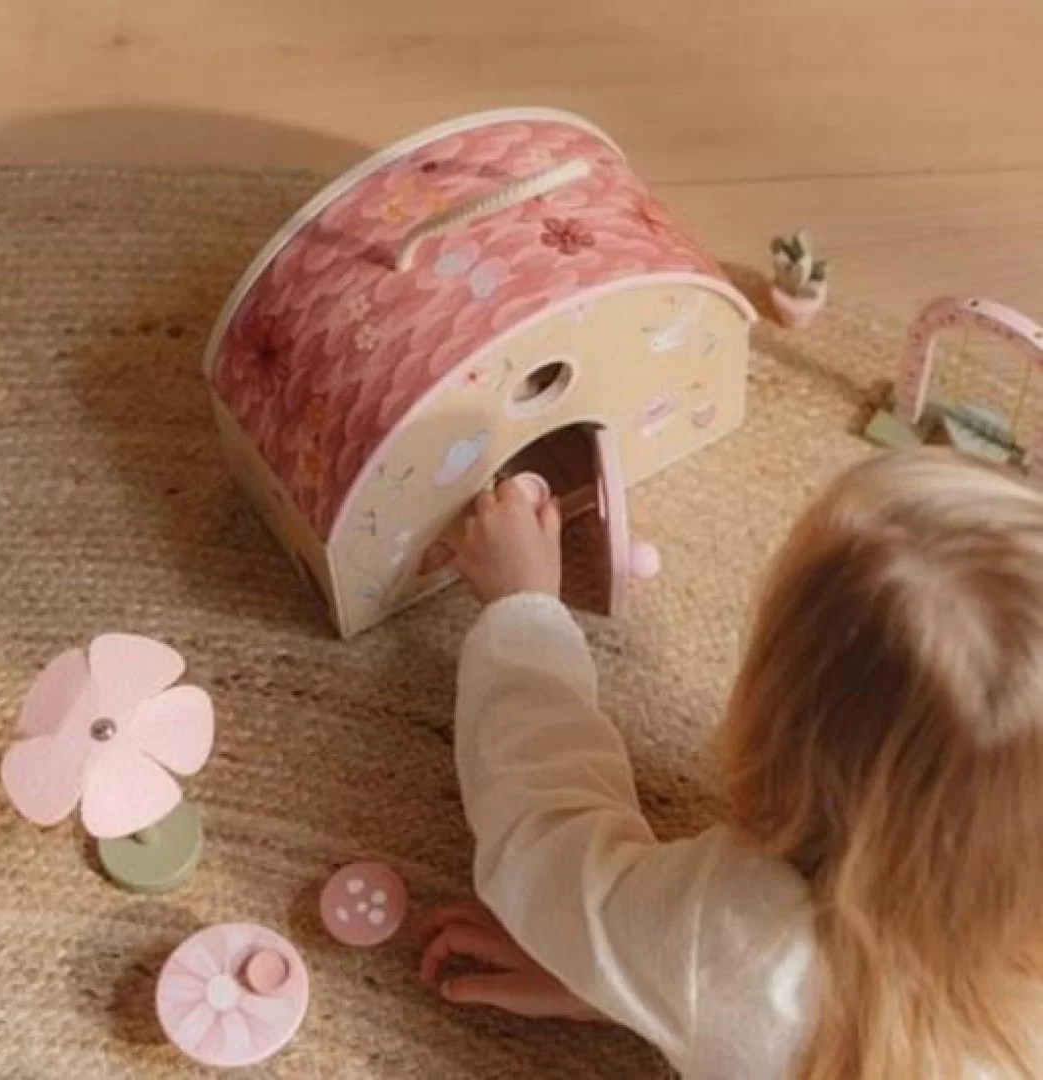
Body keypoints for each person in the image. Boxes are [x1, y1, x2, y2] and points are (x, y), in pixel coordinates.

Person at [418, 450, 1043, 1079]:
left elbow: (546, 841)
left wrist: (524, 612)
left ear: (779, 724)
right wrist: (637, 988)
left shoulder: (736, 936)